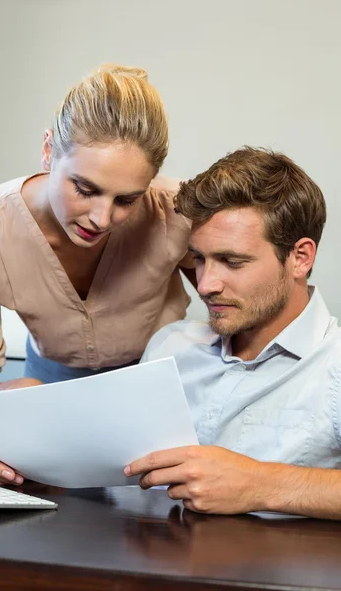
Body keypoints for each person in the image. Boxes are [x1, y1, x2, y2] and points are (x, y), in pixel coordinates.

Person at [0, 63, 196, 397]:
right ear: (48, 150)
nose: (102, 220)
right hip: (47, 380)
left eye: (127, 199)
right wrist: (8, 408)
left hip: (158, 376)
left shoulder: (177, 212)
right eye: (85, 190)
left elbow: (239, 323)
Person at [124, 147, 341, 520]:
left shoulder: (334, 364)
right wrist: (22, 460)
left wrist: (260, 484)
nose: (206, 284)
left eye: (232, 261)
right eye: (199, 259)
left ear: (300, 258)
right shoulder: (170, 346)